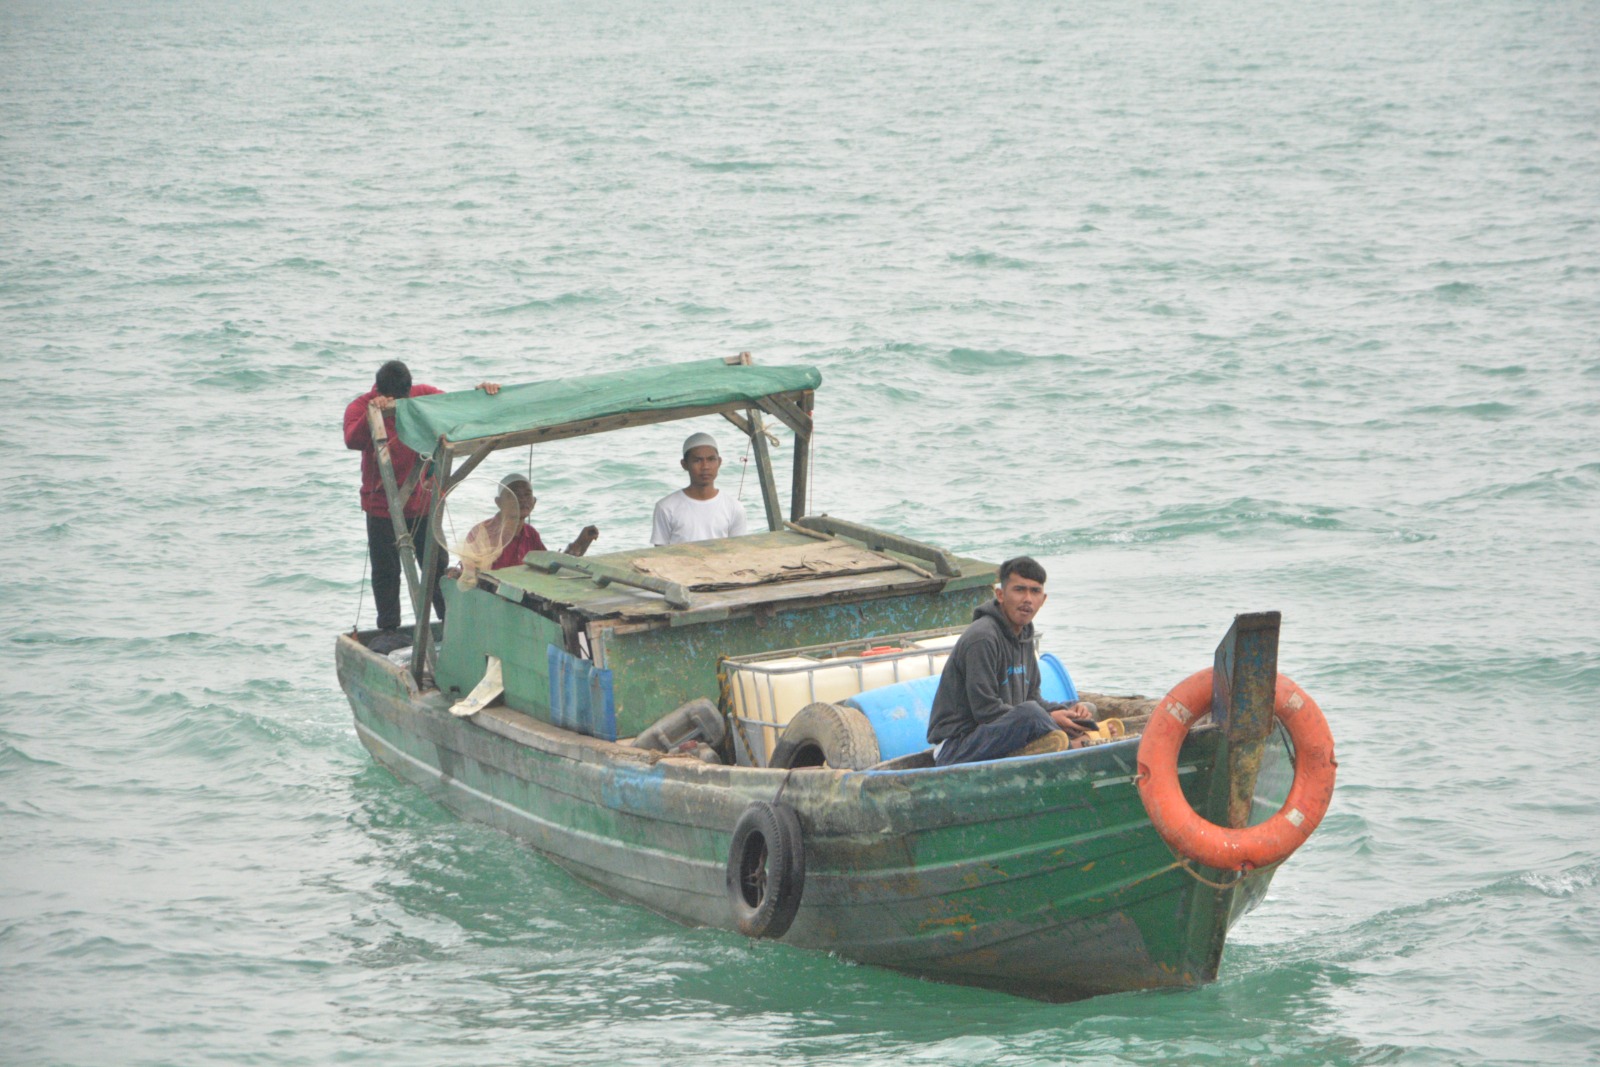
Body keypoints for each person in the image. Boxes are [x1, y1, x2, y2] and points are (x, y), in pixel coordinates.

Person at [344, 360, 499, 637]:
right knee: (386, 573)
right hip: (382, 508)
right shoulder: (362, 405)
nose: (400, 403)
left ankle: (449, 624)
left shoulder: (421, 394)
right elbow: (351, 440)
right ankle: (389, 630)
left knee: (436, 568)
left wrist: (479, 393)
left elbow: (454, 407)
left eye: (404, 399)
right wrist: (375, 414)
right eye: (395, 400)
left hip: (424, 502)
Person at [925, 556, 1097, 766]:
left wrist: (1070, 710)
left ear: (1043, 599)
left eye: (1035, 591)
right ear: (1000, 595)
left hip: (1001, 733)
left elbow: (1033, 698)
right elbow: (986, 711)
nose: (1027, 599)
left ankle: (1072, 739)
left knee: (1085, 709)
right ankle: (1076, 747)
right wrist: (1050, 719)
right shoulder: (982, 638)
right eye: (1019, 590)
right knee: (1032, 715)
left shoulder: (1024, 637)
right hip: (958, 747)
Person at [453, 473, 599, 579]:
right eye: (514, 495)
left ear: (534, 502)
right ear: (498, 502)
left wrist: (581, 543)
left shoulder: (531, 534)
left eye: (527, 495)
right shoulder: (482, 532)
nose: (522, 500)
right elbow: (468, 575)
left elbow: (549, 567)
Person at [650, 432, 750, 546]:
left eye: (711, 459)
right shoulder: (666, 507)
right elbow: (660, 555)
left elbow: (737, 551)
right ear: (684, 464)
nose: (705, 466)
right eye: (697, 460)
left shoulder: (735, 508)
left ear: (719, 462)